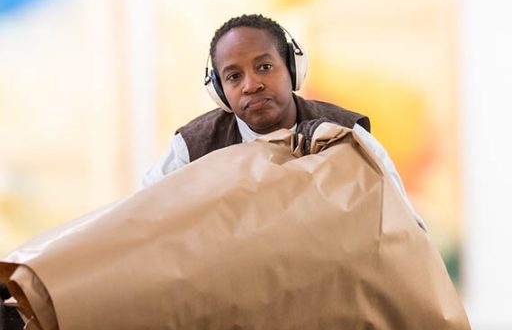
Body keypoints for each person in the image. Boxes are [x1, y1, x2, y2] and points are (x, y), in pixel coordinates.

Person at [141, 14, 421, 226]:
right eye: (234, 77)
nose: (251, 85)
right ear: (219, 91)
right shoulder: (192, 148)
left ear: (292, 67)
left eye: (264, 67)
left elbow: (405, 225)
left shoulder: (348, 134)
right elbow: (141, 216)